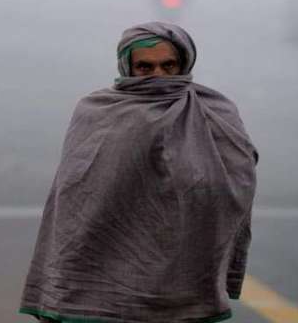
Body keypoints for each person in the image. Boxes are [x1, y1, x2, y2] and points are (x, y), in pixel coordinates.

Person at [19, 21, 258, 323]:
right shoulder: (97, 111)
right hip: (104, 268)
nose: (158, 76)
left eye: (168, 66)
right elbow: (75, 199)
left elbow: (235, 182)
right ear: (128, 68)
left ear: (183, 64)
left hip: (182, 272)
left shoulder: (214, 111)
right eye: (145, 68)